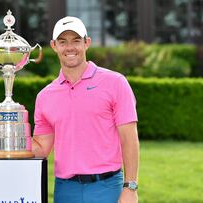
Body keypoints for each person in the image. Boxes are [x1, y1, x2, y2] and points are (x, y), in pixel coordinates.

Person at [32, 17, 139, 202]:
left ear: (87, 43)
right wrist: (8, 132)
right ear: (54, 46)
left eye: (76, 41)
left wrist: (131, 187)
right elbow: (41, 148)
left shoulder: (115, 83)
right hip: (65, 190)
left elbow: (129, 139)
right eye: (63, 42)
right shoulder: (45, 96)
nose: (70, 47)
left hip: (107, 187)